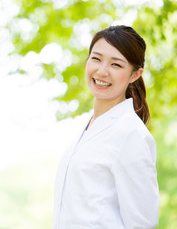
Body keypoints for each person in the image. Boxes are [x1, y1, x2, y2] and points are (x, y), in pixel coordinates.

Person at [53, 25, 159, 229]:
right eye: (96, 58)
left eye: (116, 65)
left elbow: (143, 223)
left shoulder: (131, 135)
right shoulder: (84, 128)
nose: (102, 71)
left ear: (135, 75)